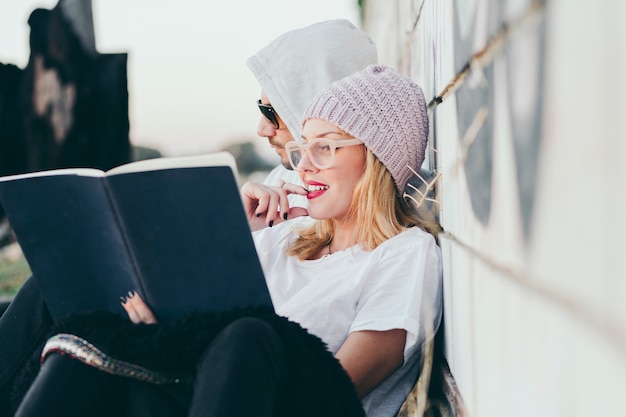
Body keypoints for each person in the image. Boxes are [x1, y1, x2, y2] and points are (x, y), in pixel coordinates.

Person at [14, 65, 443, 417]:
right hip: (188, 389)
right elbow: (193, 320)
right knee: (60, 299)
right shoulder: (283, 238)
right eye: (302, 150)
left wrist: (184, 347)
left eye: (326, 149)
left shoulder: (404, 253)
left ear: (377, 157)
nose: (305, 167)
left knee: (251, 333)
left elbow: (335, 387)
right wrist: (233, 236)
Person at [247, 19, 378, 207]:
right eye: (262, 108)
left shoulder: (400, 222)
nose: (262, 129)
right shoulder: (278, 183)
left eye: (272, 111)